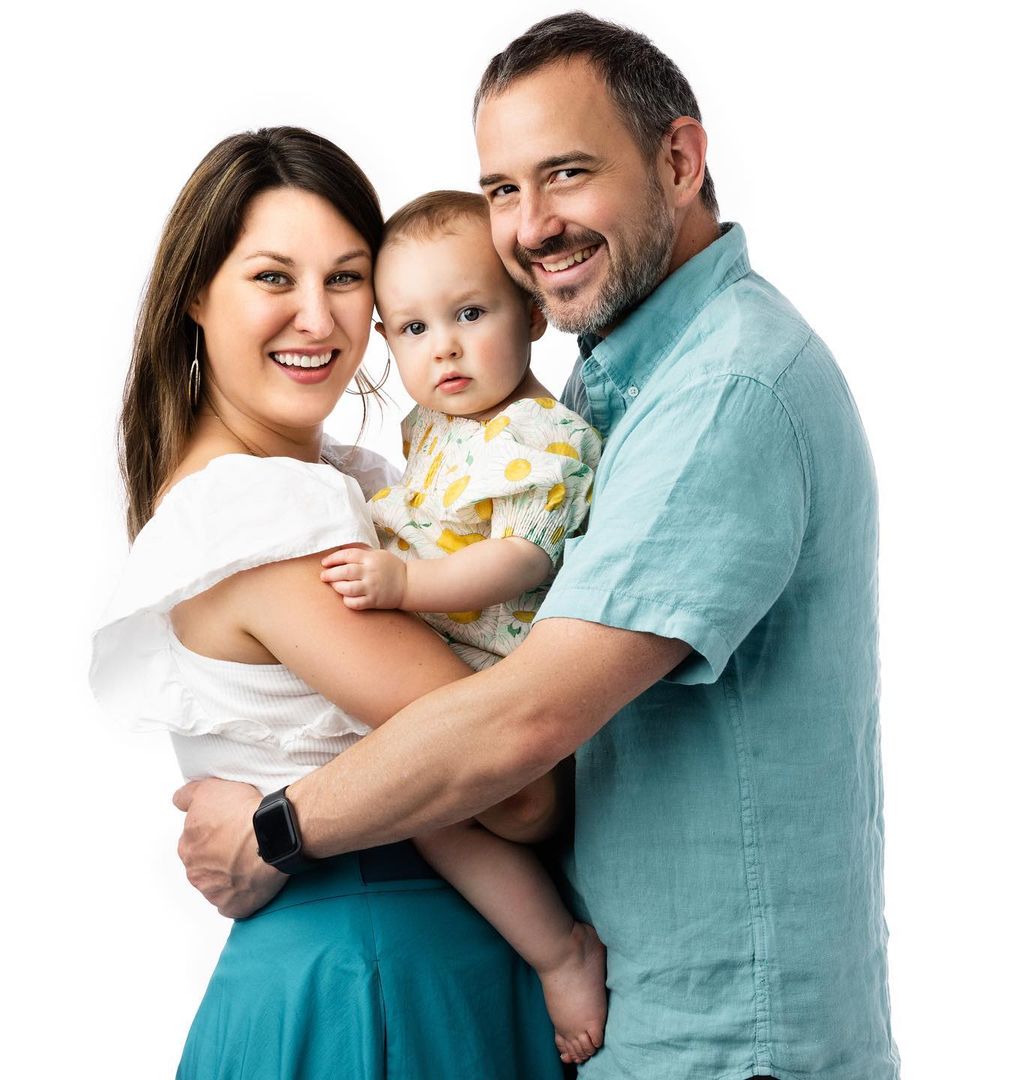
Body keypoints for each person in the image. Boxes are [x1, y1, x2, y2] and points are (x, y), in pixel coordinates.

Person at [175, 14, 900, 1080]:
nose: (532, 225)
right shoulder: (606, 391)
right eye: (503, 189)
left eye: (566, 173)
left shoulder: (724, 391)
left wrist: (274, 829)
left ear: (680, 162)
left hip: (723, 1044)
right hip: (646, 1021)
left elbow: (524, 726)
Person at [90, 126, 565, 1079]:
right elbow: (517, 792)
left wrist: (275, 819)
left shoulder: (347, 482)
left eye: (346, 278)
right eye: (274, 277)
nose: (317, 318)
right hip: (382, 970)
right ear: (195, 295)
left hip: (389, 958)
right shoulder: (258, 511)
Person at [321, 189, 608, 1064]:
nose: (442, 346)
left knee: (433, 819)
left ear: (532, 312)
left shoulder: (545, 437)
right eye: (413, 328)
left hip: (505, 683)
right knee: (412, 810)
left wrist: (408, 583)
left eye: (470, 314)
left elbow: (520, 557)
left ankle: (560, 951)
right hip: (444, 670)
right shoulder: (436, 426)